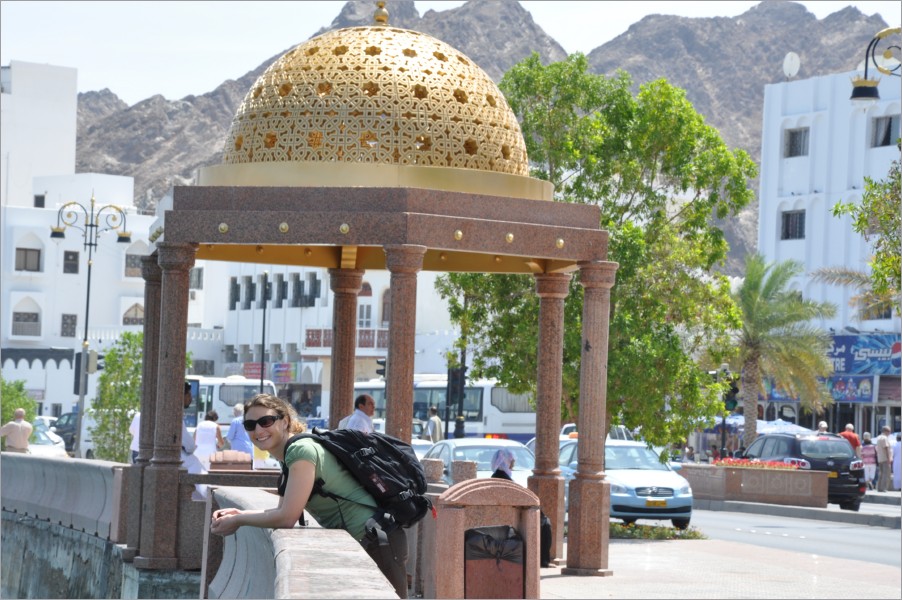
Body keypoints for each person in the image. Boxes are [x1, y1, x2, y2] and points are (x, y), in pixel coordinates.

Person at [210, 393, 409, 598]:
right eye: (250, 425)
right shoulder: (290, 454)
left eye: (266, 421)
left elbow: (287, 518)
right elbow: (282, 510)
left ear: (285, 421)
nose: (258, 430)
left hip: (377, 541)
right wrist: (239, 513)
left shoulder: (300, 451)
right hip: (370, 538)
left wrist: (239, 520)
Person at [490, 448, 553, 568]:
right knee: (545, 523)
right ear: (506, 462)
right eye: (512, 461)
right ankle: (543, 560)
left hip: (508, 514)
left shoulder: (497, 476)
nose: (513, 464)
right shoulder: (503, 478)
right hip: (511, 517)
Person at [875, 425, 893, 492]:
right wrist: (889, 458)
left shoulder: (878, 437)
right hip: (885, 458)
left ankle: (879, 487)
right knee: (886, 473)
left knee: (881, 473)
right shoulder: (884, 438)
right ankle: (884, 488)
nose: (890, 433)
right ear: (886, 431)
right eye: (889, 431)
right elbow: (886, 448)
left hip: (880, 458)